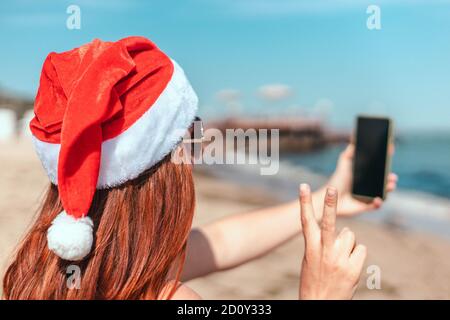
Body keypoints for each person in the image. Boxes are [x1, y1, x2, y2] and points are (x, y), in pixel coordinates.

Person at [2, 36, 397, 300]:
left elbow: (221, 243)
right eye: (190, 132)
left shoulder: (41, 270)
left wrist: (331, 198)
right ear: (157, 171)